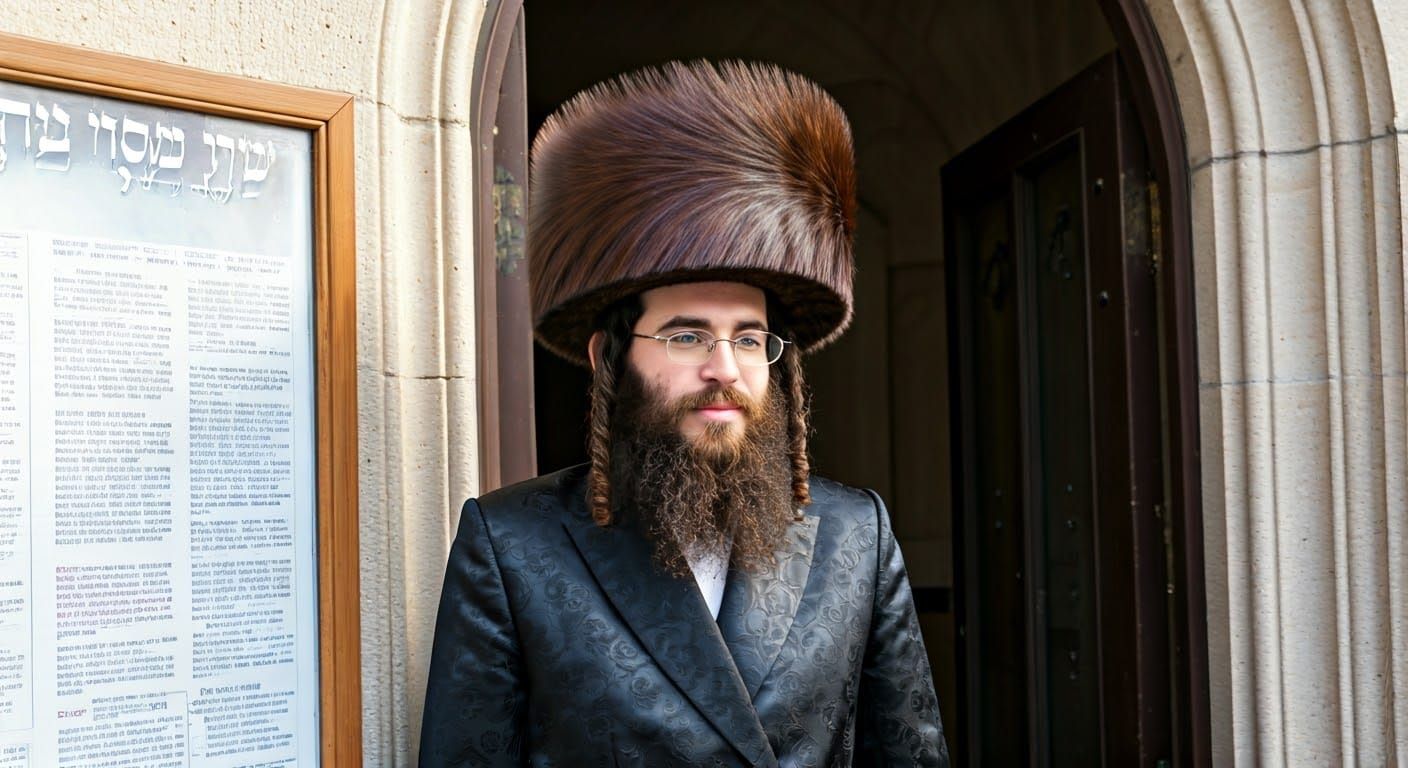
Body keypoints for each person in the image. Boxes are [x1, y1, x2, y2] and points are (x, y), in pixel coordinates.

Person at [420, 60, 948, 767]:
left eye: (750, 339)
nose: (724, 369)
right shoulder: (512, 547)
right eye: (687, 334)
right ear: (613, 354)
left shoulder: (858, 536)